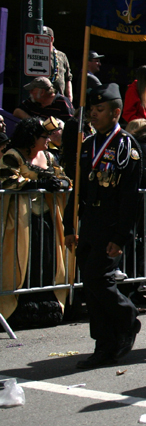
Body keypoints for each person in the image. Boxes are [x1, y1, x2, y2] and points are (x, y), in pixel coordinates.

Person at [63, 83, 142, 369]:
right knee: (92, 285)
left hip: (111, 225)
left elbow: (129, 198)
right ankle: (104, 343)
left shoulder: (126, 147)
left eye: (99, 110)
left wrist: (121, 236)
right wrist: (69, 224)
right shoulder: (88, 145)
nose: (93, 115)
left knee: (99, 279)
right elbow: (79, 190)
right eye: (92, 110)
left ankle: (126, 317)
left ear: (115, 112)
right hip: (89, 224)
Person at [0, 118, 72, 329]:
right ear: (31, 138)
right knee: (22, 261)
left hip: (46, 218)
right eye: (43, 136)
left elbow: (64, 177)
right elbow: (7, 180)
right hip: (20, 220)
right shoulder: (13, 156)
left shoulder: (49, 156)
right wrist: (38, 183)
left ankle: (47, 305)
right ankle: (17, 309)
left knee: (47, 259)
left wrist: (60, 182)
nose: (47, 139)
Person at [44, 26, 73, 101]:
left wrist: (69, 97)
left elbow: (68, 78)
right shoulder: (37, 54)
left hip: (59, 98)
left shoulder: (61, 56)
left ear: (51, 39)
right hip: (43, 98)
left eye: (44, 38)